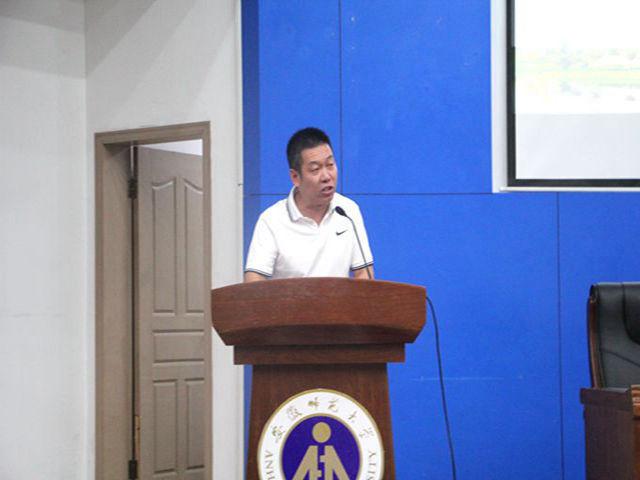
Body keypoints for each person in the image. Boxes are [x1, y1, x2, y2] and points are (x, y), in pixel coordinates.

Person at [244, 127, 374, 282]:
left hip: (339, 299)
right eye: (315, 169)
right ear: (295, 177)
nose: (326, 176)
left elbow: (364, 273)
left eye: (330, 165)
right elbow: (253, 279)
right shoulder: (271, 220)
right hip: (290, 299)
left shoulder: (348, 211)